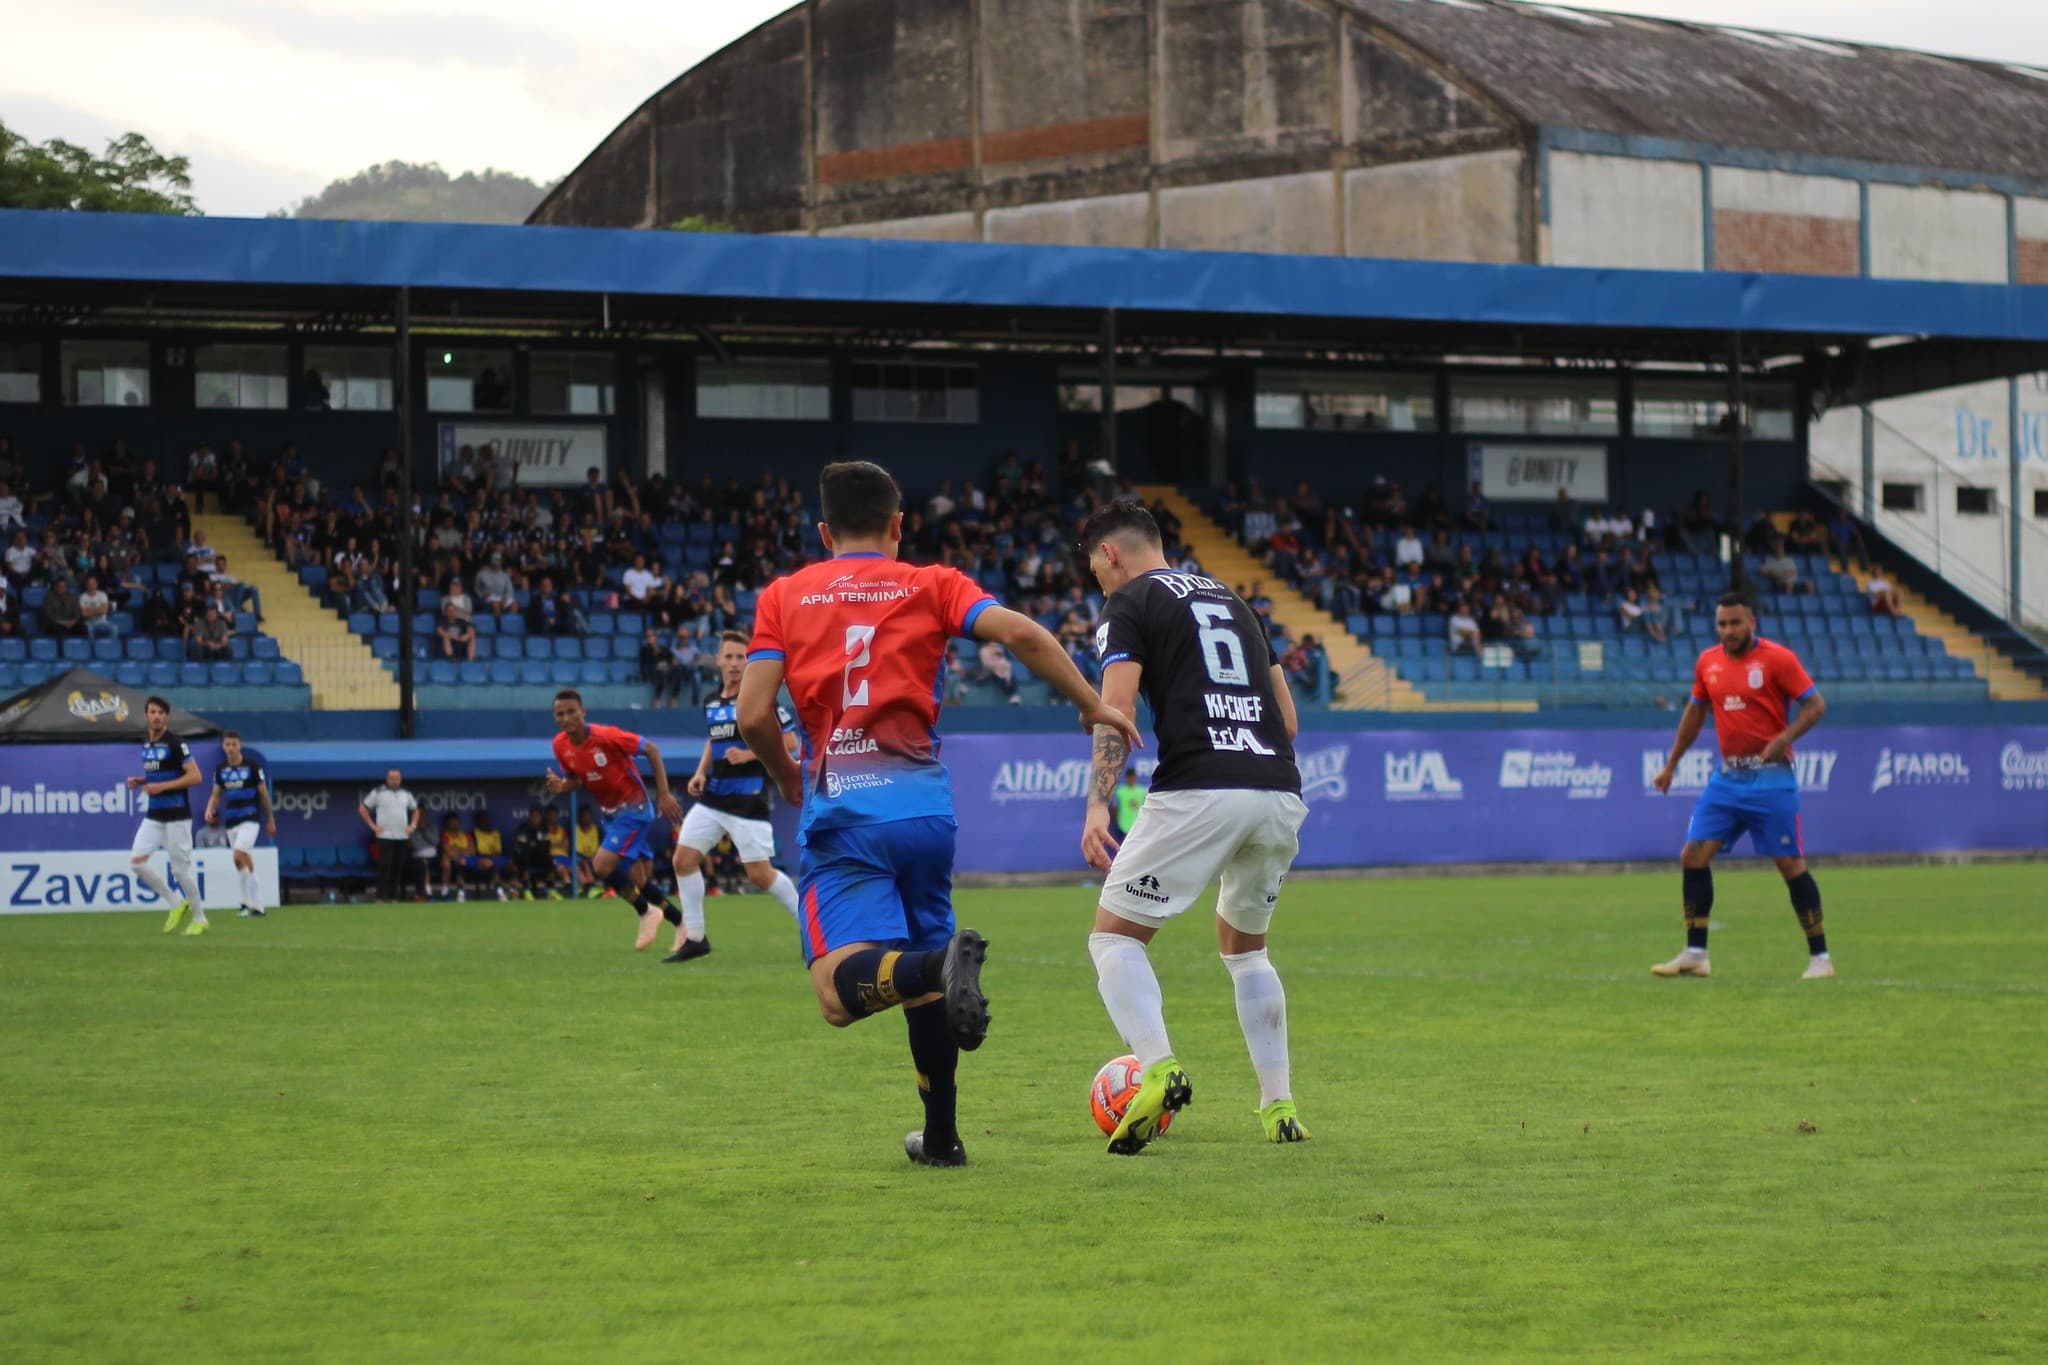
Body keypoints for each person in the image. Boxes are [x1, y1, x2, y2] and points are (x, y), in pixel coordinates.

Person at [735, 459, 1139, 1168]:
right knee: (923, 982)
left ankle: (939, 965)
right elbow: (1022, 635)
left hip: (845, 815)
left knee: (839, 992)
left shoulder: (784, 595)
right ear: (899, 525)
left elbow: (753, 714)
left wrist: (785, 773)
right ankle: (943, 1137)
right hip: (925, 814)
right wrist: (1090, 701)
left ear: (824, 530)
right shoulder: (933, 583)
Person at [1076, 500, 1309, 1154]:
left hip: (1202, 786)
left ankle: (1159, 1067)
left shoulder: (1129, 602)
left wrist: (1099, 804)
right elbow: (1287, 721)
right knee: (1245, 949)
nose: (1097, 580)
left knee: (1114, 939)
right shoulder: (1238, 603)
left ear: (1112, 553)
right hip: (1278, 790)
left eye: (1095, 567)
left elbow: (1115, 707)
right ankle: (1278, 1105)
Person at [1651, 593, 1834, 980]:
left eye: (1735, 623)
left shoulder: (1778, 659)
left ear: (1752, 621)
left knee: (1789, 864)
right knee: (1693, 856)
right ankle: (1696, 952)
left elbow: (1816, 705)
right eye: (1722, 624)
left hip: (1771, 779)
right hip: (1727, 778)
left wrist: (1784, 739)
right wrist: (1671, 765)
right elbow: (1695, 713)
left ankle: (1821, 957)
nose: (1728, 631)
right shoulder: (1708, 662)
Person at [670, 630, 804, 961]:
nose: (733, 664)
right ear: (717, 661)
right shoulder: (712, 701)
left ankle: (811, 931)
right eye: (728, 657)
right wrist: (701, 771)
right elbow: (712, 742)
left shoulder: (761, 700)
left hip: (748, 801)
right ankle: (696, 938)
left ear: (749, 661)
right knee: (683, 860)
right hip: (713, 799)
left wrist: (748, 756)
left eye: (740, 657)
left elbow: (791, 743)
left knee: (760, 875)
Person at [543, 689, 688, 950]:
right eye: (560, 714)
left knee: (601, 866)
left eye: (571, 711)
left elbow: (652, 750)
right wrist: (561, 786)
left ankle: (646, 912)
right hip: (610, 814)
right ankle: (680, 923)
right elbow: (575, 780)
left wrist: (664, 794)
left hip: (634, 808)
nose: (566, 718)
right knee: (639, 880)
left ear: (583, 712)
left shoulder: (606, 736)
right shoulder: (560, 745)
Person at [128, 696, 208, 935]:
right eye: (152, 712)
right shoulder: (146, 743)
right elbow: (160, 774)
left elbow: (195, 777)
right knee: (136, 863)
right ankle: (175, 903)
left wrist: (160, 788)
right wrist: (141, 780)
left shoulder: (175, 742)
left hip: (176, 815)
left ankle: (200, 918)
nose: (156, 716)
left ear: (167, 717)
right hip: (154, 815)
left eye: (161, 713)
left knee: (180, 870)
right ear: (146, 716)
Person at [204, 730, 275, 919]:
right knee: (239, 861)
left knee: (239, 854)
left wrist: (270, 819)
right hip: (231, 821)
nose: (231, 748)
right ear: (223, 746)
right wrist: (209, 809)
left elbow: (264, 795)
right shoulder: (221, 770)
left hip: (250, 819)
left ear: (240, 745)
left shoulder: (252, 767)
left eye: (234, 744)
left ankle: (258, 904)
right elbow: (216, 794)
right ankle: (247, 903)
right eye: (227, 744)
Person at [360, 769, 421, 903]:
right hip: (385, 836)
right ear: (387, 779)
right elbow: (363, 808)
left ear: (400, 779)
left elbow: (416, 810)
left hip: (402, 836)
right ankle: (380, 896)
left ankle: (393, 896)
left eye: (397, 778)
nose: (394, 780)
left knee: (398, 867)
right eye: (392, 778)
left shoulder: (406, 794)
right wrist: (373, 826)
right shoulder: (378, 792)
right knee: (384, 866)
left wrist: (413, 826)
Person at [511, 807, 558, 899]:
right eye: (534, 816)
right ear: (529, 817)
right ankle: (526, 889)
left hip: (539, 857)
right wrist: (535, 846)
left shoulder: (543, 829)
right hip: (525, 858)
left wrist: (533, 846)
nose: (536, 819)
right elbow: (521, 845)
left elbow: (546, 846)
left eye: (538, 816)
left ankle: (550, 889)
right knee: (525, 856)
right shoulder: (523, 829)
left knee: (549, 859)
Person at [471, 811, 509, 901]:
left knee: (512, 865)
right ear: (478, 821)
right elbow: (478, 850)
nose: (485, 821)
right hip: (481, 858)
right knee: (490, 864)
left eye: (486, 819)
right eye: (482, 819)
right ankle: (500, 891)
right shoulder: (474, 833)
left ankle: (513, 890)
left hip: (496, 857)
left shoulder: (496, 833)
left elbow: (498, 850)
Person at [436, 815, 475, 901]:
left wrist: (456, 849)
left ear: (459, 822)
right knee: (446, 863)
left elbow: (472, 850)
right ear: (447, 823)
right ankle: (444, 892)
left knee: (462, 861)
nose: (453, 823)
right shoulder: (444, 835)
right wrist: (462, 850)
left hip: (466, 859)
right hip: (451, 859)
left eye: (455, 821)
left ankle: (461, 892)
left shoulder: (466, 835)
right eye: (451, 821)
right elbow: (448, 850)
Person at [1111, 767, 1147, 842]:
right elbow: (1115, 808)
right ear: (1126, 778)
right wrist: (1118, 822)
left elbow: (1145, 807)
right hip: (1123, 825)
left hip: (1138, 825)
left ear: (1136, 777)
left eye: (1133, 777)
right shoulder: (1120, 791)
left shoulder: (1142, 791)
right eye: (1130, 777)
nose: (1131, 779)